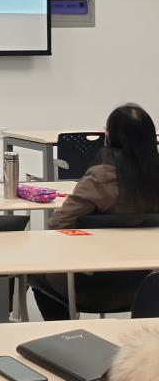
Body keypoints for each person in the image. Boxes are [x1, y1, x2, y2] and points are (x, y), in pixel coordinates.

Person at [31, 104, 159, 320]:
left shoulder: (101, 177)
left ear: (109, 136)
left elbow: (58, 225)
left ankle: (65, 332)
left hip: (86, 287)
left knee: (35, 272)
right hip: (147, 288)